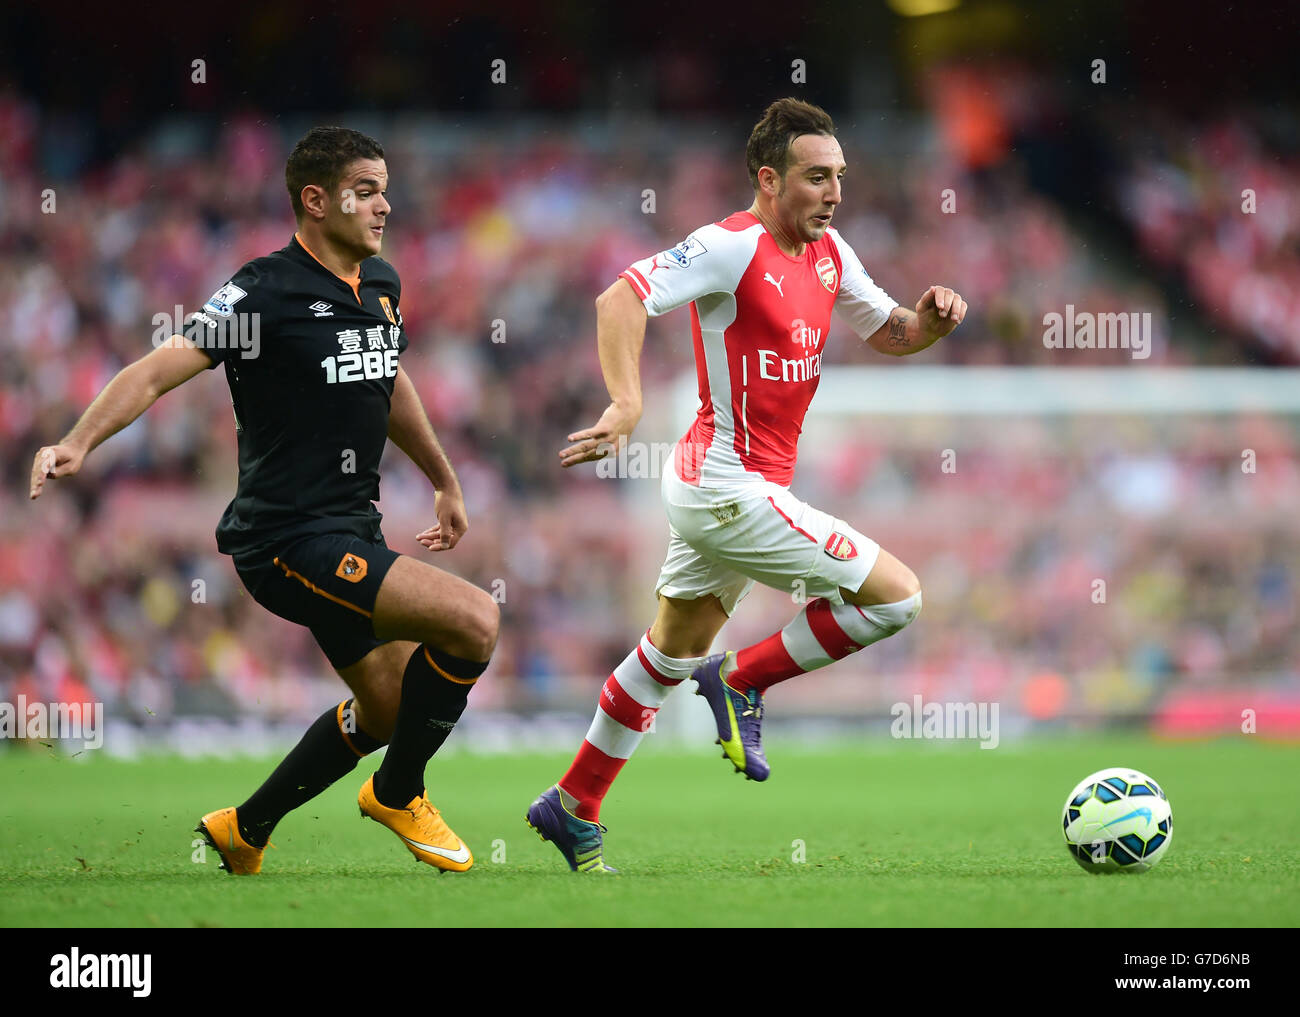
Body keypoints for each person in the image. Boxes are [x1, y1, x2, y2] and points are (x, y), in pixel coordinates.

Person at [29, 126, 498, 874]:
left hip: (353, 530)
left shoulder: (381, 284)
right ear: (316, 200)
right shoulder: (263, 291)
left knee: (385, 710)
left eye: (386, 188)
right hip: (285, 539)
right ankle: (399, 790)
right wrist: (78, 441)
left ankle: (244, 828)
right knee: (476, 620)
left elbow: (389, 379)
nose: (385, 205)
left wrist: (444, 476)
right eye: (367, 190)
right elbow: (156, 370)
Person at [526, 98, 966, 873]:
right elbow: (620, 296)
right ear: (769, 179)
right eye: (816, 177)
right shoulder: (730, 245)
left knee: (667, 652)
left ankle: (572, 802)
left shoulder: (831, 254)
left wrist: (930, 321)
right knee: (898, 597)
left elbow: (889, 329)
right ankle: (742, 679)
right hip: (722, 485)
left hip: (736, 488)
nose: (834, 192)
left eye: (840, 178)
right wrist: (627, 401)